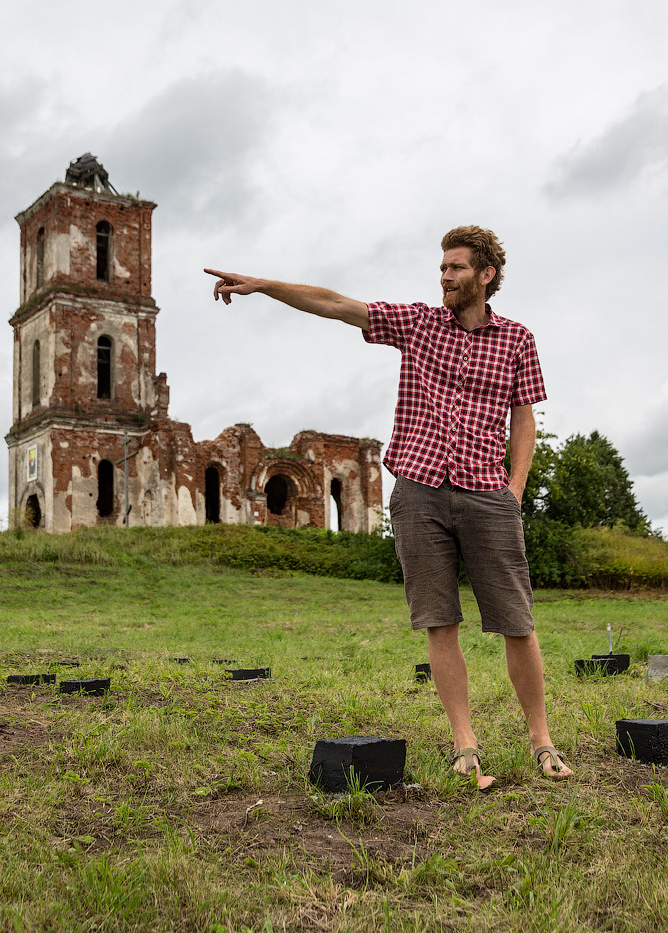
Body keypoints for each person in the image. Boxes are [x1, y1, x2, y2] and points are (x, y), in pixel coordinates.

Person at [204, 226, 573, 785]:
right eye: (442, 267)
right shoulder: (420, 323)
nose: (444, 275)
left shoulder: (517, 340)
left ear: (486, 276)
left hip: (487, 494)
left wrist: (514, 490)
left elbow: (524, 419)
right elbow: (335, 304)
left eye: (455, 268)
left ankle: (542, 741)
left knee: (517, 622)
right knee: (439, 621)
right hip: (420, 493)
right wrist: (262, 285)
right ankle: (465, 745)